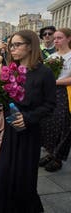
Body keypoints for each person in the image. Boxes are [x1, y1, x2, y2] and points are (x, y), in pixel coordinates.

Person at [0, 30, 56, 212]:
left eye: (17, 45)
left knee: (24, 174)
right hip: (11, 130)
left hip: (30, 133)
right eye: (11, 45)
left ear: (30, 46)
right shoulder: (11, 70)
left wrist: (28, 118)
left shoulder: (44, 73)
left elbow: (50, 105)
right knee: (4, 170)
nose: (12, 49)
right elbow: (7, 98)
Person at [39, 28, 71, 172]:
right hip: (51, 93)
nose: (55, 40)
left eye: (59, 38)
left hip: (66, 93)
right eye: (55, 38)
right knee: (49, 123)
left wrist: (55, 82)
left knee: (63, 125)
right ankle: (51, 153)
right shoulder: (52, 57)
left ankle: (58, 158)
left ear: (68, 39)